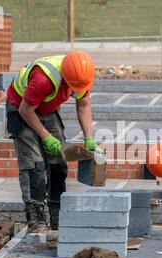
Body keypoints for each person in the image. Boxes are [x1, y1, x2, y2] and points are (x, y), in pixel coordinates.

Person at [6, 51, 102, 233]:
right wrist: (45, 135)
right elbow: (25, 110)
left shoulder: (81, 75)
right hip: (21, 106)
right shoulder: (43, 79)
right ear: (65, 77)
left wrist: (88, 137)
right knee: (35, 165)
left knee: (58, 162)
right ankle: (37, 220)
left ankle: (57, 213)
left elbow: (83, 105)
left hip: (45, 107)